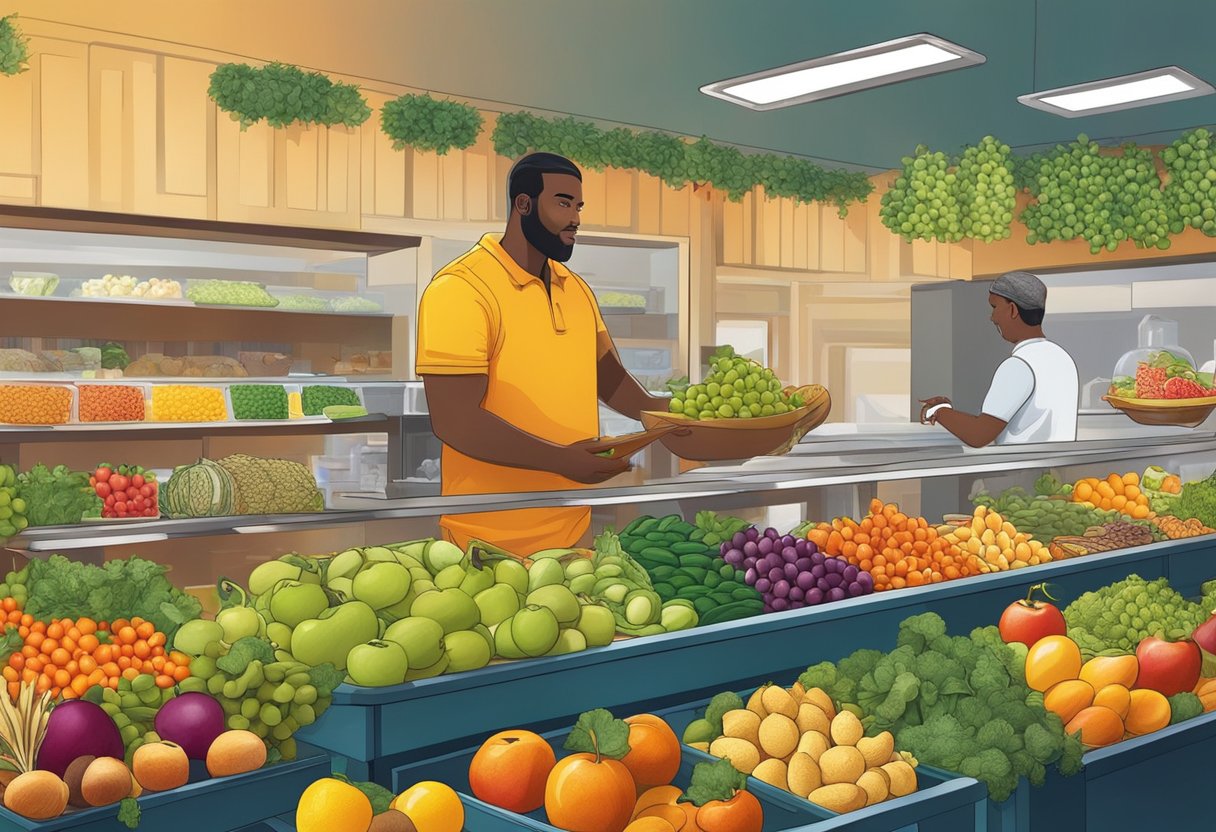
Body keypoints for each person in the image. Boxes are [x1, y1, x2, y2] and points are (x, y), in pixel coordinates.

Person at [415, 152, 678, 554]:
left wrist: (678, 415)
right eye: (562, 202)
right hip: (486, 537)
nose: (575, 217)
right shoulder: (459, 288)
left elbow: (611, 381)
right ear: (523, 204)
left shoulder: (575, 289)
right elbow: (455, 421)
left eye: (578, 206)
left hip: (573, 526)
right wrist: (562, 461)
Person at [920, 270, 1078, 447]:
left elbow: (979, 435)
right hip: (1055, 471)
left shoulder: (1019, 366)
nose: (992, 317)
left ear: (1012, 310)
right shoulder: (1062, 358)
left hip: (1020, 471)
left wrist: (938, 411)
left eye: (994, 307)